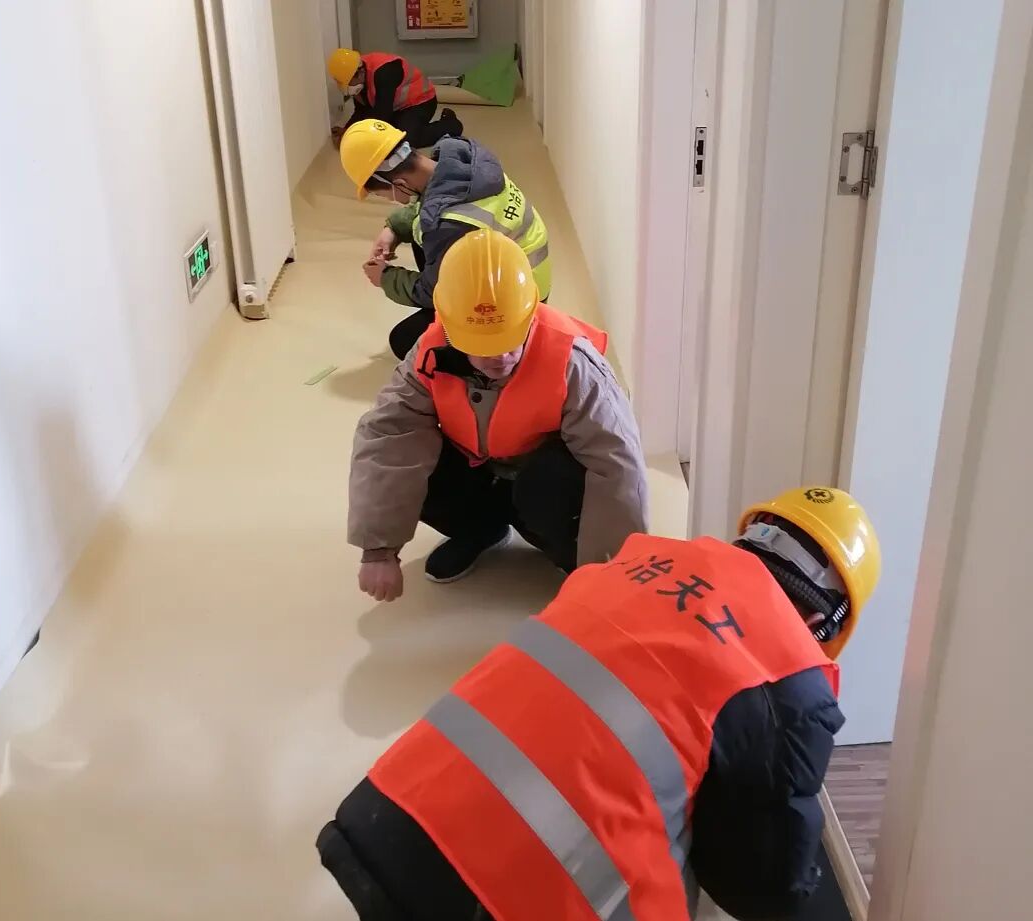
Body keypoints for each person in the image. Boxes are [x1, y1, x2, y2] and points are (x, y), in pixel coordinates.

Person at [318, 486, 881, 921]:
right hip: (499, 901)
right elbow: (760, 889)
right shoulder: (788, 686)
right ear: (824, 621)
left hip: (390, 819)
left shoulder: (634, 562)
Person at [348, 229, 644, 596]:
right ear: (448, 324)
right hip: (480, 470)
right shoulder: (429, 353)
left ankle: (563, 548)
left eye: (510, 338)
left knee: (548, 483)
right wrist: (378, 550)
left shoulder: (574, 363)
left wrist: (609, 577)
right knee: (413, 454)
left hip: (543, 485)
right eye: (482, 345)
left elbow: (615, 465)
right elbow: (389, 434)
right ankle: (481, 529)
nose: (500, 357)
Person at [339, 119, 552, 359]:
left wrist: (385, 277)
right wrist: (393, 229)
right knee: (424, 235)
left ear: (399, 184)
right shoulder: (462, 165)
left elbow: (431, 290)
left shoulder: (449, 225)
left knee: (405, 341)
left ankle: (498, 357)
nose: (390, 200)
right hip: (525, 279)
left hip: (515, 309)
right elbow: (435, 204)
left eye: (383, 194)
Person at [327, 48, 463, 149]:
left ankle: (451, 125)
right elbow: (362, 111)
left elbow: (382, 116)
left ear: (360, 72)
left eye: (349, 83)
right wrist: (347, 130)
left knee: (406, 141)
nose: (348, 88)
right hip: (398, 107)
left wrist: (355, 138)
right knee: (392, 134)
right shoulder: (357, 77)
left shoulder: (385, 72)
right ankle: (416, 125)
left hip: (421, 102)